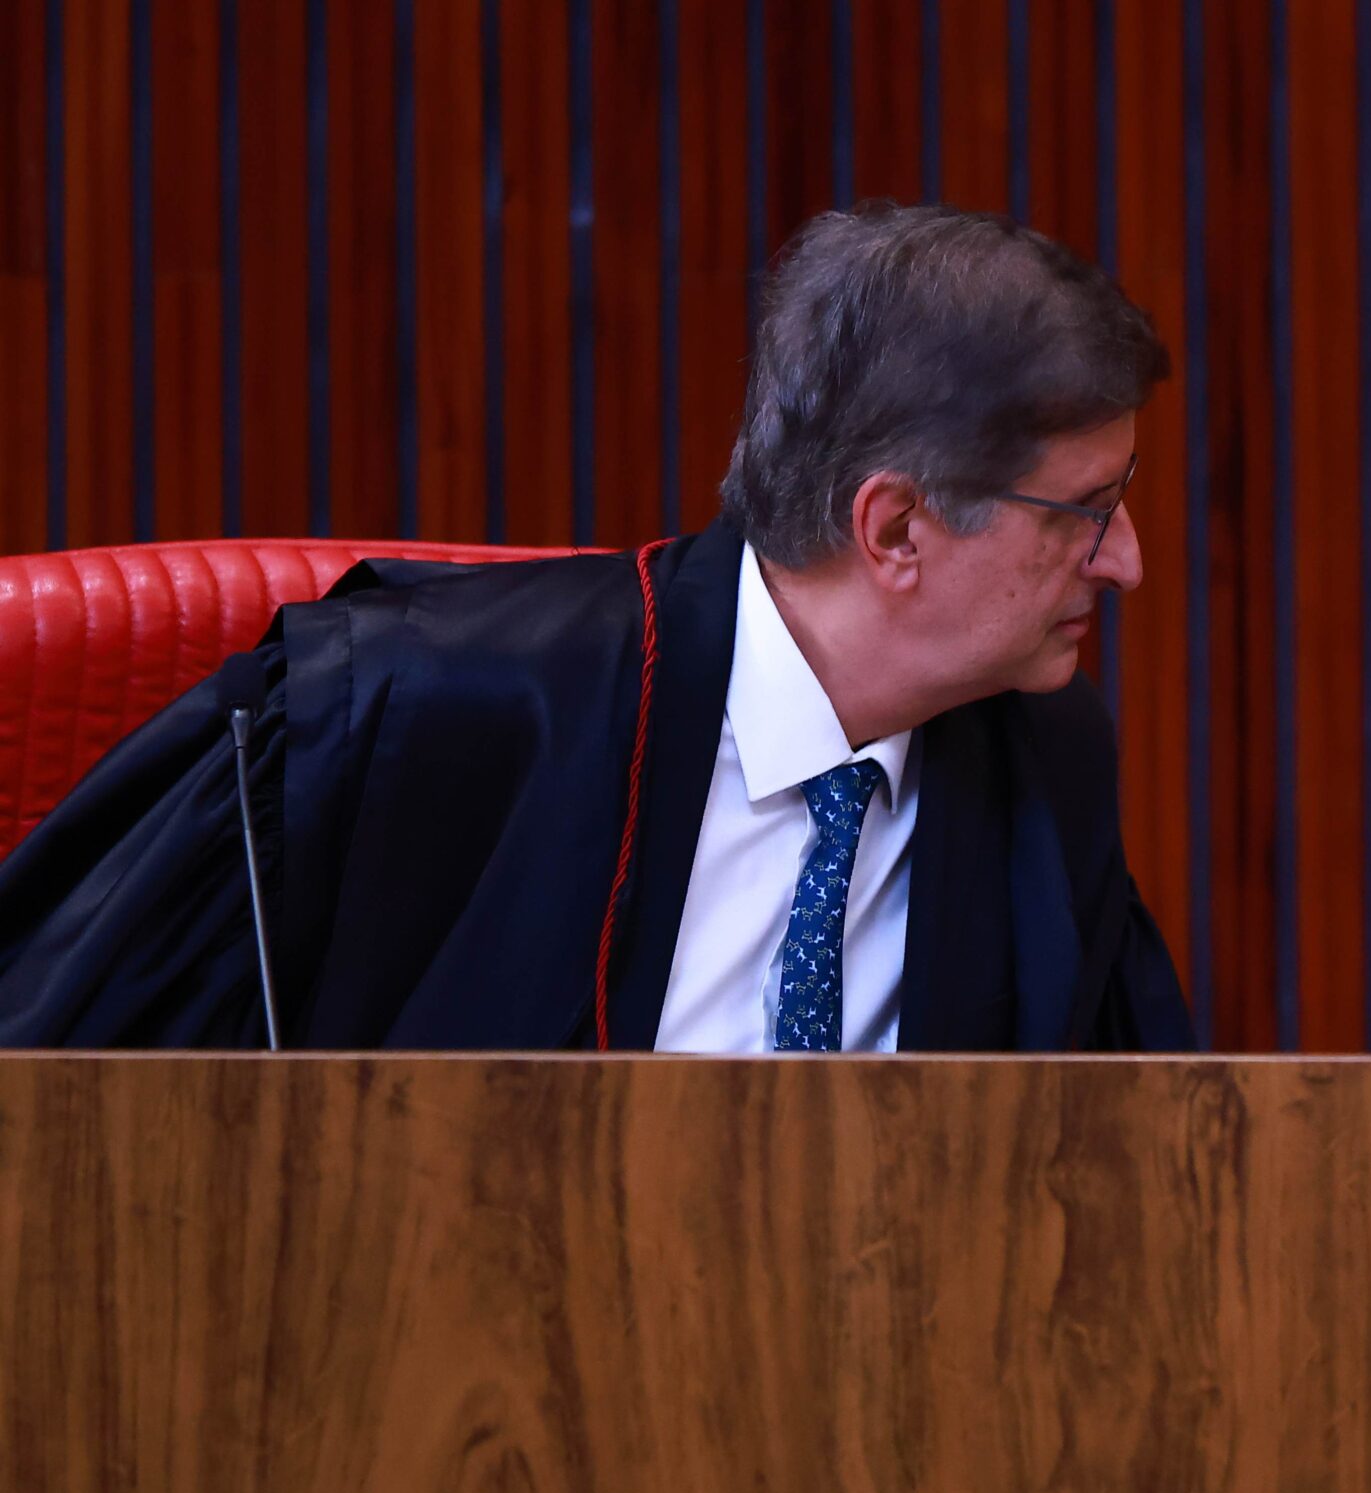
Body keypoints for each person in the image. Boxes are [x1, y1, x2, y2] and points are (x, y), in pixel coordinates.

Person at [0, 204, 1195, 1052]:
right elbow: (72, 1110)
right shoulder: (408, 716)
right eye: (1086, 511)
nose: (1127, 562)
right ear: (892, 529)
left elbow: (1118, 1178)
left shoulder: (1040, 762)